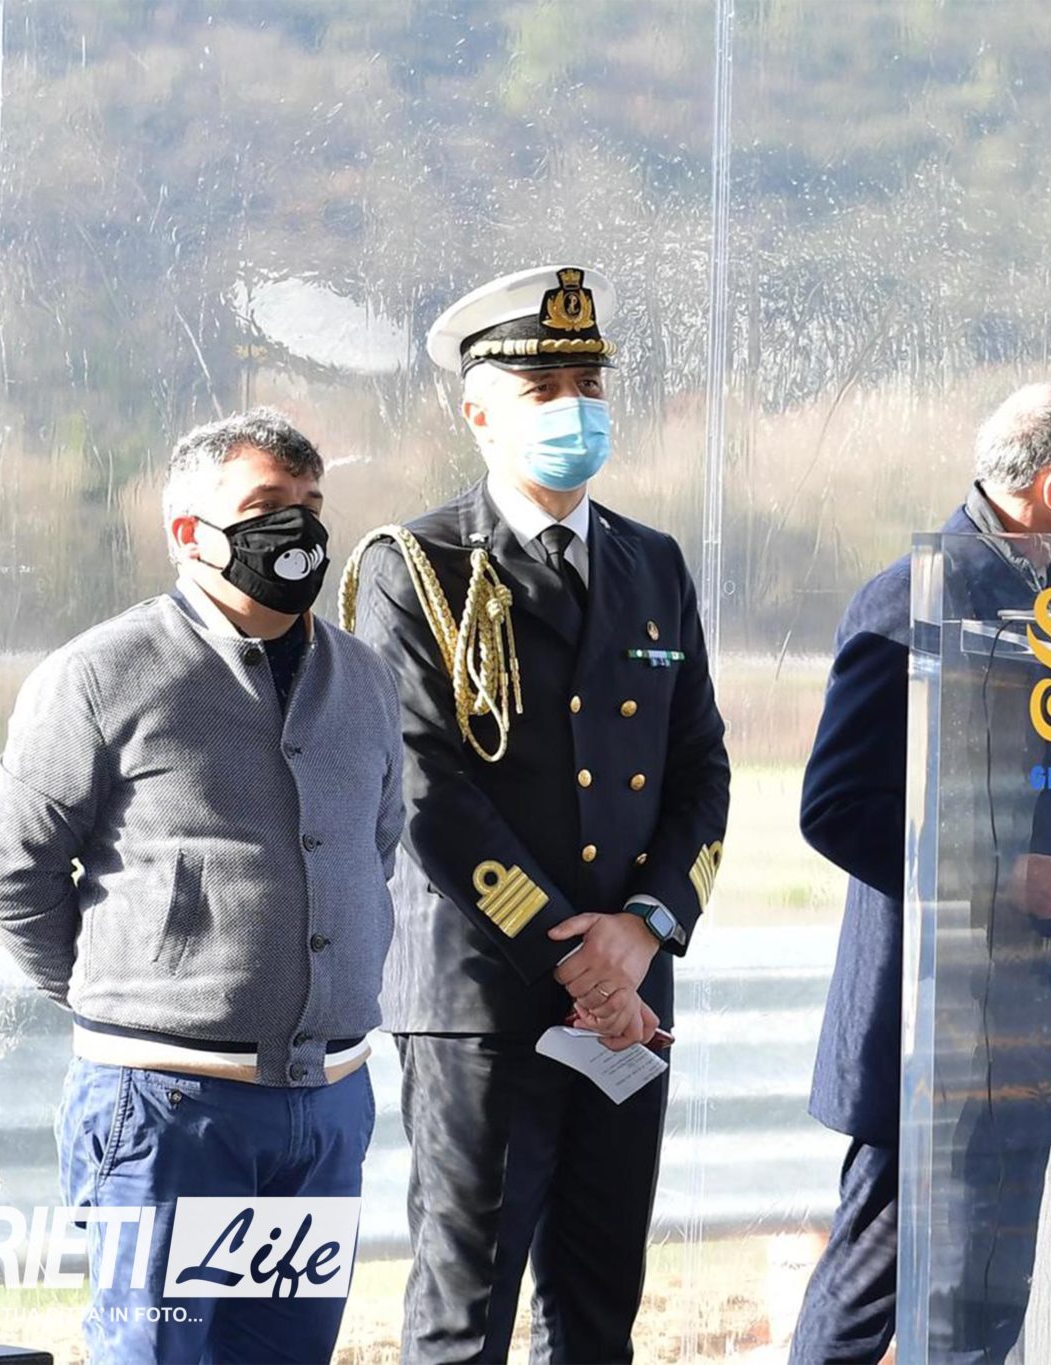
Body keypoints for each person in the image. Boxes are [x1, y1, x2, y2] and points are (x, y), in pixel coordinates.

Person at [346, 264, 730, 1364]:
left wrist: (643, 928)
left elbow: (701, 770)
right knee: (466, 1318)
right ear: (479, 414)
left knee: (599, 1308)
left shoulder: (652, 563)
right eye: (543, 389)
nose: (575, 408)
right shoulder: (418, 567)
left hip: (627, 995)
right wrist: (574, 954)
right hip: (488, 997)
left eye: (587, 384)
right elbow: (425, 784)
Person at [0, 408, 403, 1364]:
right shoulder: (102, 673)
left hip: (327, 1107)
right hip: (169, 1112)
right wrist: (129, 998)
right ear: (188, 532)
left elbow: (376, 845)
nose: (298, 527)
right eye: (265, 505)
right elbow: (14, 876)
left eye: (310, 504)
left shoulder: (366, 678)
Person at [793, 382, 1051, 1364]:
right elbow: (838, 808)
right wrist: (1001, 878)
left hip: (1028, 1026)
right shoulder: (916, 596)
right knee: (875, 1297)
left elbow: (1046, 780)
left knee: (989, 1304)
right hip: (935, 1030)